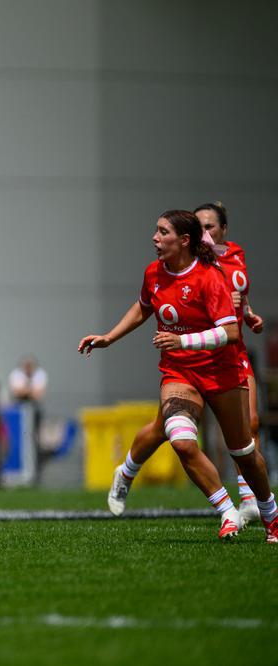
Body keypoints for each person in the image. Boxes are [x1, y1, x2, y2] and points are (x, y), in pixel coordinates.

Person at [78, 209, 276, 543]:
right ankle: (227, 510)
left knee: (242, 450)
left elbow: (230, 332)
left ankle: (270, 512)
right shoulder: (153, 273)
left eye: (162, 232)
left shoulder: (210, 276)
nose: (154, 238)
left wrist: (183, 340)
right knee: (181, 440)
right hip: (179, 372)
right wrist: (109, 337)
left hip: (220, 371)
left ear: (184, 240)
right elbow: (143, 307)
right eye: (156, 231)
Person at [8, 355, 48, 484]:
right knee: (17, 441)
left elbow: (38, 394)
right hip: (19, 413)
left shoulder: (40, 374)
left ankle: (34, 475)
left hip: (34, 412)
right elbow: (17, 392)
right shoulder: (16, 374)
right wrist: (30, 390)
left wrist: (26, 391)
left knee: (35, 441)